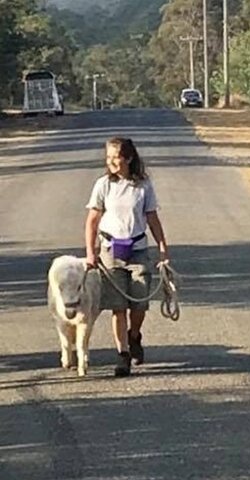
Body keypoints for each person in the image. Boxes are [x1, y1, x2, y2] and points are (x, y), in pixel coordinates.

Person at [85, 137, 170, 377]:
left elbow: (152, 218)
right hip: (111, 251)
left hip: (138, 249)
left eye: (116, 156)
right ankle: (123, 354)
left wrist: (163, 247)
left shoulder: (143, 186)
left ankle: (134, 336)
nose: (111, 161)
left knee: (140, 301)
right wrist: (91, 252)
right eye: (108, 156)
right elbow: (92, 220)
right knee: (118, 306)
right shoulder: (103, 185)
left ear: (129, 158)